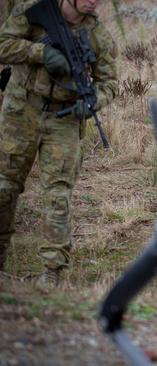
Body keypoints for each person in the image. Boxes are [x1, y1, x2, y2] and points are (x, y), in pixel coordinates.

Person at [0, 0, 118, 284]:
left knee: (58, 195)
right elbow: (3, 44)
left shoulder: (97, 35)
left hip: (64, 118)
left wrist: (91, 104)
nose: (93, 1)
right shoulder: (35, 11)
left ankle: (52, 272)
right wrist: (40, 52)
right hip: (21, 110)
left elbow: (109, 84)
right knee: (4, 186)